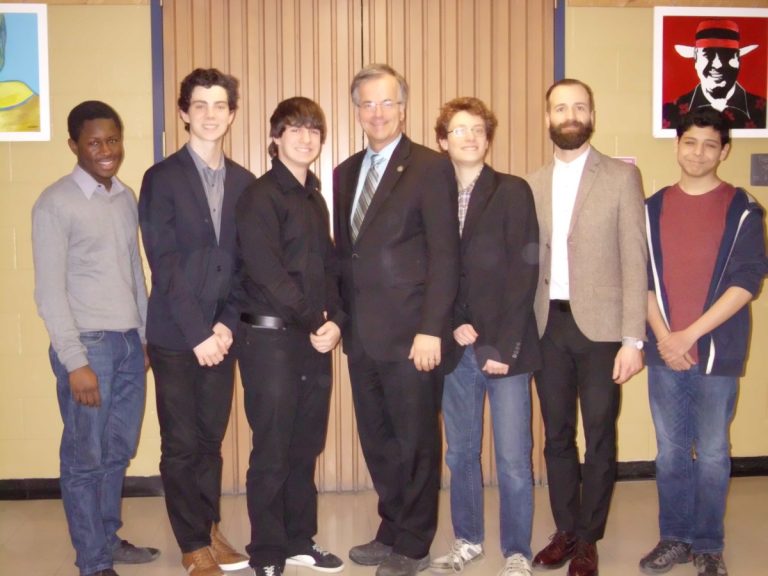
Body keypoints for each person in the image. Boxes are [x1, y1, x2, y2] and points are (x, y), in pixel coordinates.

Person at [333, 63, 460, 576]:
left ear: (403, 109)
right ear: (357, 110)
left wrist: (432, 328)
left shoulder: (430, 167)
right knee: (378, 440)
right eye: (367, 103)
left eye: (387, 102)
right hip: (363, 336)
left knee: (415, 441)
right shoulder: (344, 173)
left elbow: (445, 255)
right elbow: (347, 255)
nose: (377, 112)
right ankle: (391, 526)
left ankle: (413, 544)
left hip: (413, 335)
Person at [32, 100, 160, 576]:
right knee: (85, 457)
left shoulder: (123, 197)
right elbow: (48, 290)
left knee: (118, 450)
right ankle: (93, 560)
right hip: (88, 347)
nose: (106, 150)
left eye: (113, 140)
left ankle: (108, 537)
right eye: (94, 142)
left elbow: (134, 272)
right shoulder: (55, 202)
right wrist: (74, 360)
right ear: (74, 146)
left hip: (128, 346)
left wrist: (144, 337)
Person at [526, 78, 647, 576]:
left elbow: (635, 259)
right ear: (547, 118)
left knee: (599, 435)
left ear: (591, 115)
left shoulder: (620, 177)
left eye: (579, 106)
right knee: (556, 436)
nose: (569, 114)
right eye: (560, 108)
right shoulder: (529, 184)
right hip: (546, 327)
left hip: (601, 331)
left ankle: (590, 538)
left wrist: (633, 338)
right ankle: (567, 529)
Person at [639, 110, 768, 576]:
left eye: (709, 145)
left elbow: (747, 281)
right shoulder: (650, 208)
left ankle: (709, 544)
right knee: (670, 450)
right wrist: (662, 338)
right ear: (677, 145)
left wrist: (688, 336)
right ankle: (674, 537)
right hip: (663, 351)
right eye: (690, 142)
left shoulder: (744, 209)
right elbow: (641, 280)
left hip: (717, 350)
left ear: (724, 151)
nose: (698, 153)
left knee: (713, 451)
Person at [138, 68, 255, 576]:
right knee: (181, 443)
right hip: (175, 336)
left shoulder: (246, 182)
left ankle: (209, 527)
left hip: (220, 337)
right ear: (184, 112)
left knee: (211, 439)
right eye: (200, 105)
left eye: (220, 105)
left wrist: (226, 325)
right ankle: (191, 542)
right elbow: (163, 264)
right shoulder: (161, 178)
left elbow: (244, 265)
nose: (210, 114)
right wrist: (199, 335)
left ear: (232, 113)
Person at [233, 97, 345, 576]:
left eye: (313, 130)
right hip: (271, 343)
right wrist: (315, 321)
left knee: (305, 446)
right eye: (295, 128)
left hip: (312, 341)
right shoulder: (260, 196)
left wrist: (336, 320)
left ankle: (301, 540)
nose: (306, 137)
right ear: (275, 137)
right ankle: (266, 551)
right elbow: (266, 273)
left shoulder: (314, 198)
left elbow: (332, 268)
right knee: (273, 448)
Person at [429, 97, 540, 576]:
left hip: (505, 348)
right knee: (460, 454)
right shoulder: (431, 195)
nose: (469, 136)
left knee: (514, 457)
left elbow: (524, 271)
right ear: (442, 141)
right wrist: (451, 320)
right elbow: (431, 269)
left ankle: (517, 550)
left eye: (477, 129)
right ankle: (468, 540)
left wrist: (503, 344)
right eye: (458, 129)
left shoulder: (512, 191)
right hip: (457, 348)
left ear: (488, 138)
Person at [662, 19, 766, 130]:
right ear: (695, 60)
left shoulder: (763, 109)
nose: (717, 65)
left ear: (739, 61)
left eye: (727, 55)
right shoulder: (670, 112)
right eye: (708, 55)